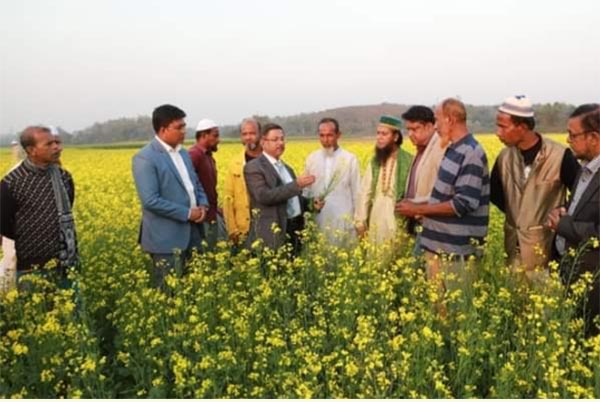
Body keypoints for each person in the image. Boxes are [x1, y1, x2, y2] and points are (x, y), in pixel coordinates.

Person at [397, 98, 490, 291]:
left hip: (456, 253)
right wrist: (414, 202)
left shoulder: (471, 152)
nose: (436, 126)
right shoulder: (452, 149)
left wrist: (418, 208)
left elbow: (462, 203)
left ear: (450, 120)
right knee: (439, 312)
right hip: (438, 248)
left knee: (455, 314)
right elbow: (444, 196)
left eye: (437, 120)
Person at [491, 95, 580, 277]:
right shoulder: (504, 158)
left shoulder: (559, 155)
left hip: (547, 255)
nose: (497, 133)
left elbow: (580, 195)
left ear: (522, 127)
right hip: (513, 253)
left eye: (503, 126)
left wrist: (559, 215)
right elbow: (497, 196)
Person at [132, 104, 209, 288]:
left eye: (184, 126)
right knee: (169, 293)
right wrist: (188, 213)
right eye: (179, 127)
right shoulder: (145, 158)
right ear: (163, 129)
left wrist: (203, 205)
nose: (184, 131)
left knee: (195, 288)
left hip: (194, 232)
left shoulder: (183, 153)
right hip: (166, 239)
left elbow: (195, 184)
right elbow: (150, 200)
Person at [0, 126, 79, 289]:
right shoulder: (12, 183)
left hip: (66, 262)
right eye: (49, 144)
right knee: (36, 309)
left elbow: (67, 208)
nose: (57, 147)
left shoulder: (64, 177)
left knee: (71, 311)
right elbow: (5, 225)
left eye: (57, 142)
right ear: (31, 150)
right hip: (32, 266)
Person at [547, 104, 600, 337]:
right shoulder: (584, 169)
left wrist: (563, 225)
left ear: (594, 137)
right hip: (572, 275)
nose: (568, 140)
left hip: (594, 283)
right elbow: (579, 207)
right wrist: (563, 210)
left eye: (573, 134)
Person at [243, 123, 315, 254]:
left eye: (282, 139)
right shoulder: (254, 167)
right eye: (275, 139)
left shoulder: (287, 168)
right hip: (272, 233)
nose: (280, 143)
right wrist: (297, 185)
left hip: (294, 231)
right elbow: (264, 196)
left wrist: (311, 204)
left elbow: (292, 198)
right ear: (263, 142)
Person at [354, 115, 412, 245]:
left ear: (396, 137)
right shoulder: (375, 162)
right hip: (376, 219)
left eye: (384, 134)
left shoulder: (409, 161)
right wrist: (360, 222)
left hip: (399, 220)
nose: (379, 138)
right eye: (378, 133)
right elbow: (365, 193)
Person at [303, 117, 361, 245]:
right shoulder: (311, 159)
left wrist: (358, 221)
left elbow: (357, 193)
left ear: (338, 135)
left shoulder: (350, 159)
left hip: (343, 221)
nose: (325, 140)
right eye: (322, 136)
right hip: (318, 220)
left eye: (329, 135)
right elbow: (306, 192)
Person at [399, 106, 449, 245]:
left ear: (429, 126)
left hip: (431, 221)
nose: (410, 134)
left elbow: (445, 191)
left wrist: (415, 205)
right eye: (408, 129)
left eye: (415, 129)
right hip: (417, 221)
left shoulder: (440, 148)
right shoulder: (420, 149)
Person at [222, 118, 262, 244]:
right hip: (243, 227)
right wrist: (232, 229)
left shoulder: (270, 159)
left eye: (252, 133)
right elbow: (228, 197)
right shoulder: (235, 163)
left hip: (266, 225)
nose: (248, 137)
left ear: (260, 134)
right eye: (245, 134)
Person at [189, 118, 224, 250]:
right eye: (215, 135)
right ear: (203, 136)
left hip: (211, 214)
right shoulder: (194, 155)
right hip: (201, 217)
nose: (218, 140)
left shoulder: (208, 156)